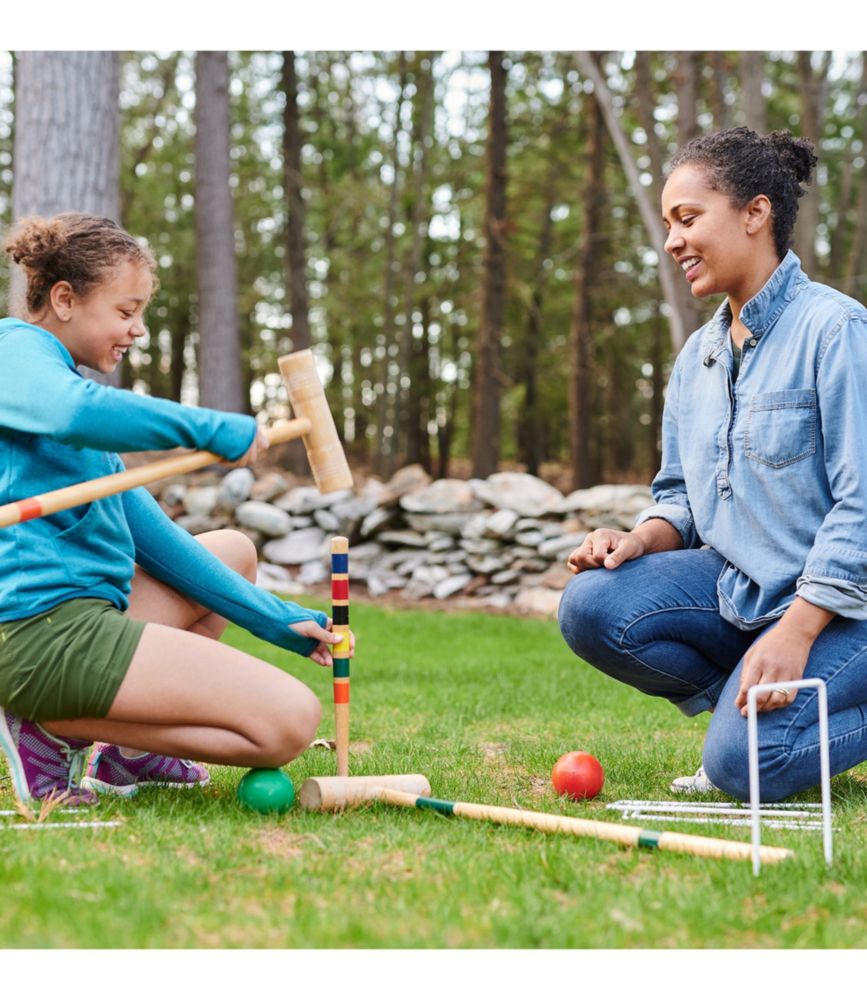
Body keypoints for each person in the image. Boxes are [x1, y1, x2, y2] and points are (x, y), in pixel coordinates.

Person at [0, 212, 352, 808]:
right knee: (290, 722)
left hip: (86, 614)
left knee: (234, 551)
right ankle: (52, 725)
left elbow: (162, 547)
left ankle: (128, 757)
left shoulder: (74, 410)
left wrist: (275, 618)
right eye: (124, 311)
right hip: (36, 630)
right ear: (64, 299)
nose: (137, 329)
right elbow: (74, 412)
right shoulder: (18, 357)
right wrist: (207, 429)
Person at [558, 127, 867, 801]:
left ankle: (753, 731)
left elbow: (861, 506)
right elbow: (680, 497)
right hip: (741, 592)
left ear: (754, 214)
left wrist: (795, 632)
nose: (671, 241)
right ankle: (745, 703)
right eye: (668, 223)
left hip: (843, 612)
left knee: (741, 769)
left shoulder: (835, 331)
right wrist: (638, 538)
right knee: (590, 606)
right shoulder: (695, 357)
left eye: (687, 218)